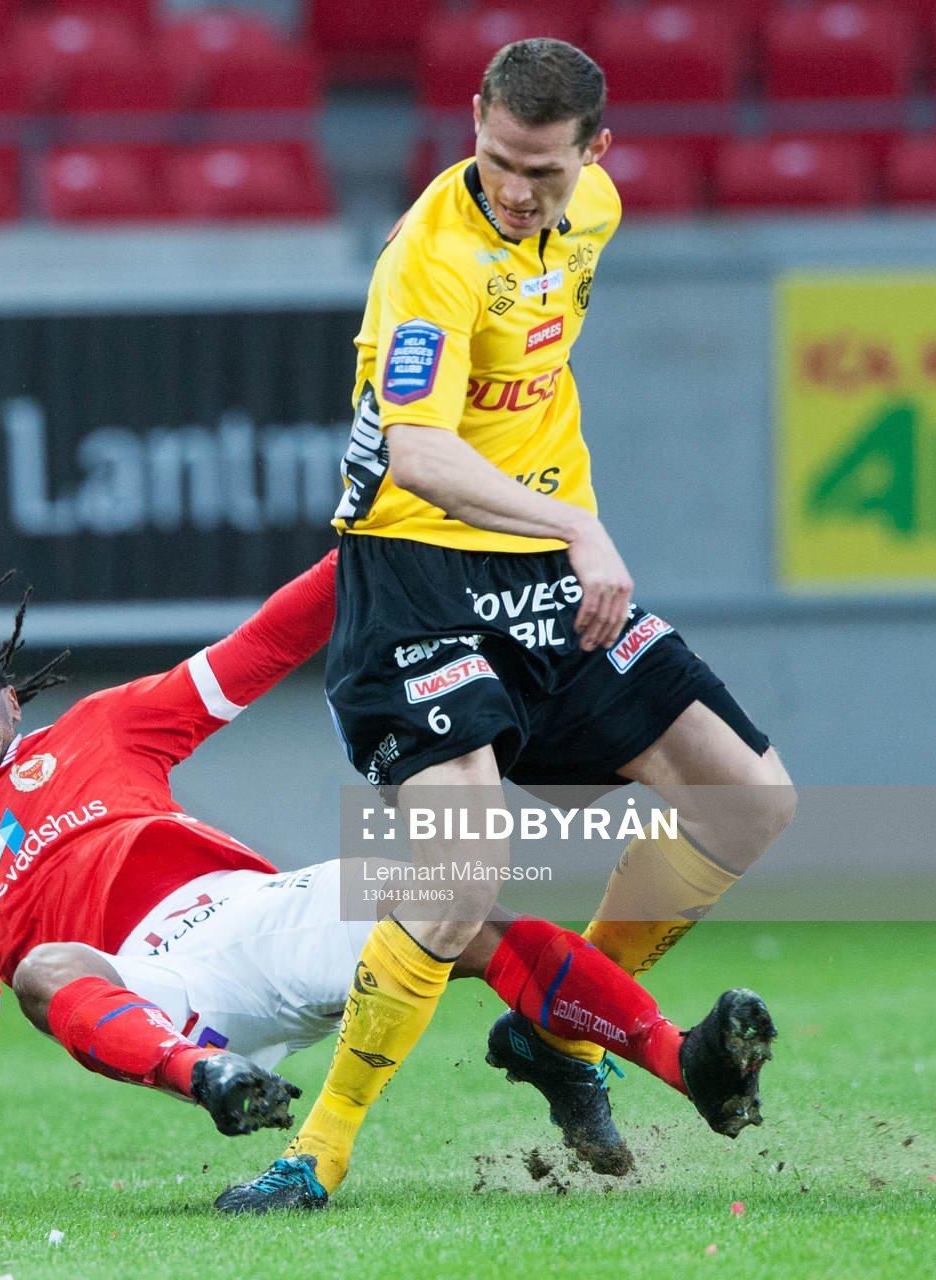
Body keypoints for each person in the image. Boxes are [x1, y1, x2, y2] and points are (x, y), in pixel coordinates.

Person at [217, 37, 793, 1213]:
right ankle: (313, 1153)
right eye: (494, 159)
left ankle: (557, 1033)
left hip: (537, 575)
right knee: (463, 862)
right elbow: (422, 455)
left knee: (747, 798)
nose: (514, 190)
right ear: (471, 117)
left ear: (597, 152)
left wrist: (559, 535)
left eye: (541, 169)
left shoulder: (598, 212)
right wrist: (582, 528)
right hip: (417, 571)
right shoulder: (429, 256)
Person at [0, 541, 774, 1214]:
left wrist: (371, 539)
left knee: (455, 903)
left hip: (246, 919)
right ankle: (220, 1084)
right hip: (147, 989)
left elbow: (266, 643)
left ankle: (681, 1060)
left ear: (7, 696)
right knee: (42, 969)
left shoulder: (102, 727)